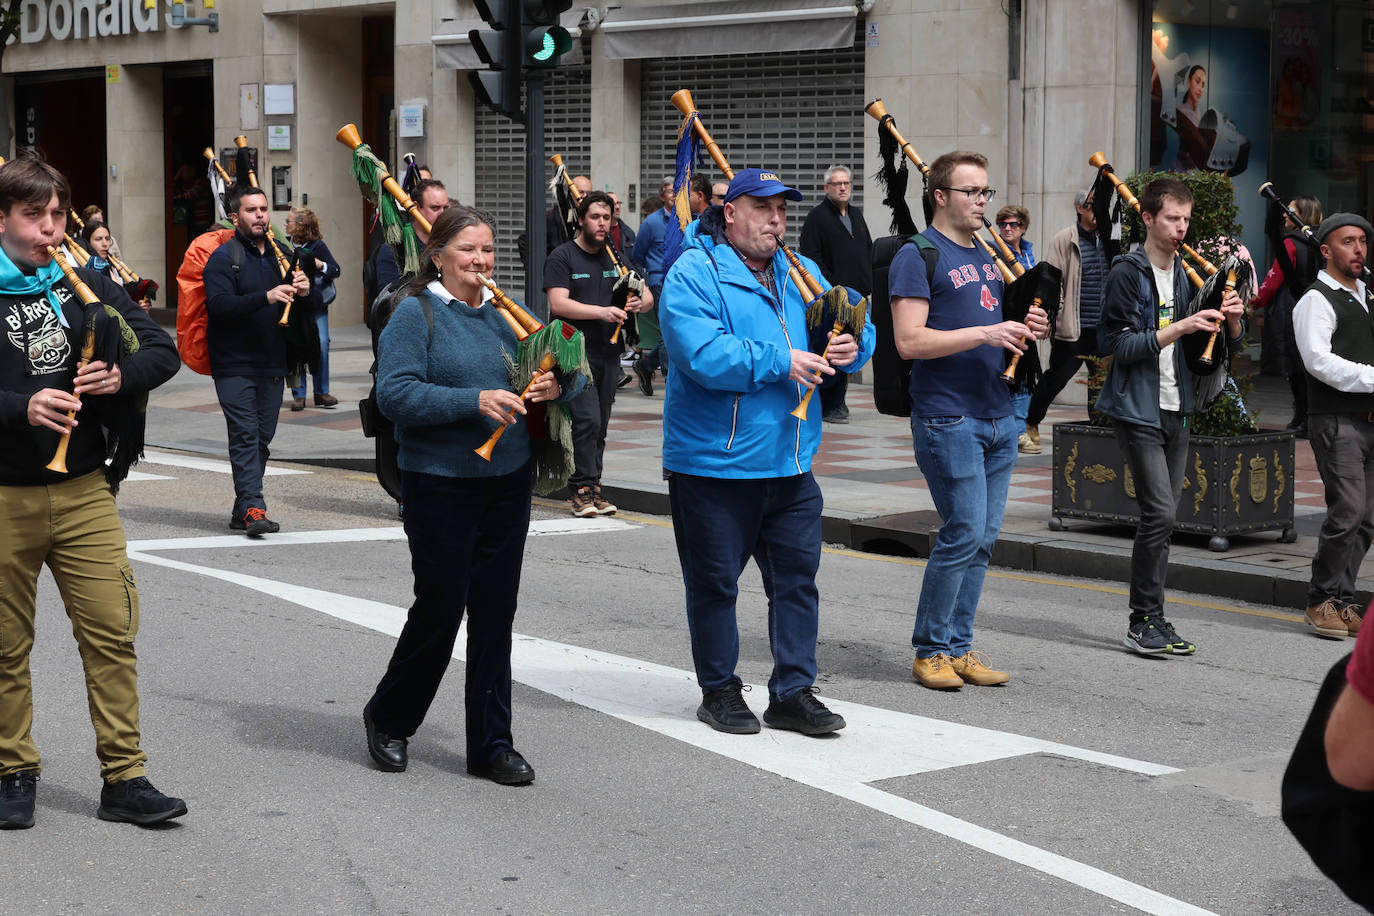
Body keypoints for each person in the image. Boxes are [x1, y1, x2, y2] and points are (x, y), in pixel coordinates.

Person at [363, 207, 580, 786]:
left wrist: (560, 382)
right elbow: (395, 396)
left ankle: (491, 743)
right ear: (438, 256)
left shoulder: (505, 313)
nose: (481, 262)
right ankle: (389, 718)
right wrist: (473, 401)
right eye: (468, 251)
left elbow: (565, 360)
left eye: (487, 251)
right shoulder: (416, 313)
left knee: (494, 613)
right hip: (439, 481)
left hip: (505, 481)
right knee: (440, 607)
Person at [0, 154, 186, 829]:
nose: (50, 227)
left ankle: (125, 778)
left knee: (111, 632)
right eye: (34, 215)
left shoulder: (82, 280)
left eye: (57, 214)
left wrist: (119, 377)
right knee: (4, 644)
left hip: (82, 488)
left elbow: (163, 353)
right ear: (3, 219)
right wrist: (19, 408)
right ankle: (12, 770)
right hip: (4, 492)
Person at [660, 167, 875, 736]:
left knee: (797, 583)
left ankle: (793, 692)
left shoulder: (799, 269)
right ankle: (720, 690)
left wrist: (855, 343)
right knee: (713, 585)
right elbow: (700, 354)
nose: (776, 220)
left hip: (791, 463)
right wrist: (780, 361)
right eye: (761, 208)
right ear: (729, 212)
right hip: (714, 464)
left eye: (782, 209)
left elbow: (854, 314)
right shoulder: (695, 271)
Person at [889, 151, 1049, 690]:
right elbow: (909, 342)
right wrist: (986, 333)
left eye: (985, 191)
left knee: (982, 539)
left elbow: (991, 319)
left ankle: (958, 647)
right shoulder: (918, 254)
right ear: (940, 196)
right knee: (961, 533)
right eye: (971, 192)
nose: (983, 201)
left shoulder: (984, 253)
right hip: (947, 417)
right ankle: (930, 649)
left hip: (997, 414)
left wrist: (1026, 327)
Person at [1096, 177, 1244, 656]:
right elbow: (1116, 346)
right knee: (1159, 511)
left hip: (1178, 405)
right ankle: (1143, 619)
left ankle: (1153, 618)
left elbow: (1218, 346)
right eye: (1171, 219)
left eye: (1185, 219)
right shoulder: (1127, 271)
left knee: (1164, 517)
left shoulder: (1184, 272)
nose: (1181, 228)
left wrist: (1234, 321)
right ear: (1147, 219)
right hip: (1137, 407)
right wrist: (1179, 326)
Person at [203, 186, 311, 537]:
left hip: (271, 362)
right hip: (233, 364)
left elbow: (296, 308)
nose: (261, 215)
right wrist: (265, 296)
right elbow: (218, 306)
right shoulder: (224, 257)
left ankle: (240, 510)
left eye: (264, 209)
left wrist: (306, 292)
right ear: (235, 216)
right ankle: (254, 508)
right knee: (246, 436)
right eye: (251, 210)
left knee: (262, 438)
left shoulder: (280, 256)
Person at [1293, 213, 1374, 640]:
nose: (1358, 249)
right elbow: (1318, 362)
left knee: (1367, 519)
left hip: (1369, 421)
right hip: (1336, 420)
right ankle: (1318, 598)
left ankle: (1341, 601)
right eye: (1348, 241)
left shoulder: (1367, 294)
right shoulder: (1316, 300)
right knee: (1347, 512)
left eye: (1362, 241)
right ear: (1326, 250)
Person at [546, 190, 652, 517]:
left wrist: (638, 303)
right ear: (581, 220)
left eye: (607, 217)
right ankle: (579, 490)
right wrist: (601, 312)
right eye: (595, 217)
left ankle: (594, 488)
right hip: (574, 352)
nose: (602, 223)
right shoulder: (562, 257)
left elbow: (647, 296)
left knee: (601, 424)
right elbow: (558, 303)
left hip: (609, 352)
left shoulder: (615, 257)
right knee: (586, 420)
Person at [1025, 188, 1108, 449]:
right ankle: (1031, 420)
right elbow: (1051, 281)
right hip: (1073, 327)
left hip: (1103, 328)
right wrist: (1055, 314)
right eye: (1093, 206)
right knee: (1056, 379)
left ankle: (1097, 429)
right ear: (1080, 208)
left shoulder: (1110, 238)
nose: (1098, 211)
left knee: (1099, 383)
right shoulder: (1065, 238)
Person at [799, 164, 873, 425]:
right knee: (831, 349)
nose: (843, 187)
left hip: (858, 300)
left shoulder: (856, 214)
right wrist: (832, 291)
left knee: (853, 349)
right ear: (826, 188)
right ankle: (830, 403)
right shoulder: (817, 218)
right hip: (834, 300)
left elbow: (867, 250)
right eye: (837, 183)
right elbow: (811, 257)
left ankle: (838, 401)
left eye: (846, 183)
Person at [1254, 195, 1323, 437]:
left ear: (1301, 216)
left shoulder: (1291, 244)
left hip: (1291, 310)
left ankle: (1302, 418)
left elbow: (1275, 279)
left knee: (1296, 368)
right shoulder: (1321, 242)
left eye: (1290, 210)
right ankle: (1307, 416)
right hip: (1317, 308)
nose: (1285, 214)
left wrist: (1255, 302)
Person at [284, 207, 341, 411]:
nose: (285, 224)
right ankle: (298, 395)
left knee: (322, 344)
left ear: (300, 226)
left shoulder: (317, 246)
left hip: (314, 305)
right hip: (292, 307)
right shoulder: (284, 244)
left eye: (289, 221)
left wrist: (317, 263)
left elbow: (335, 270)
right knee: (293, 347)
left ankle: (321, 392)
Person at [631, 179, 675, 392]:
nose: (674, 194)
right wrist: (647, 281)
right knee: (668, 329)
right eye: (670, 191)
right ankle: (669, 378)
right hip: (659, 282)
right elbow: (637, 255)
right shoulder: (651, 223)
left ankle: (646, 365)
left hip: (681, 281)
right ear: (661, 196)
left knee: (674, 329)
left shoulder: (686, 219)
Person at [373, 178, 451, 296]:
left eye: (446, 208)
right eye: (435, 208)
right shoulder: (393, 250)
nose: (442, 214)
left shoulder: (451, 245)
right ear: (415, 207)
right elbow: (388, 299)